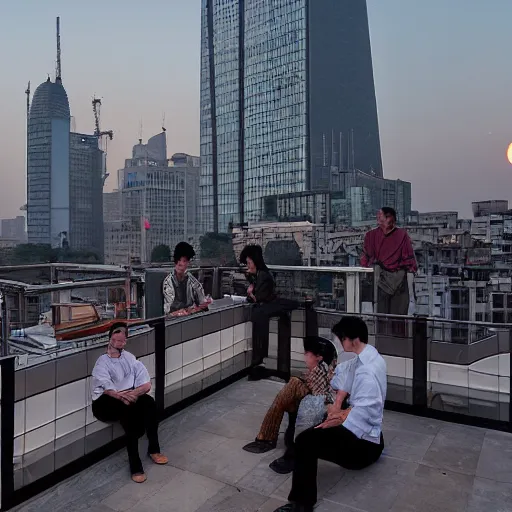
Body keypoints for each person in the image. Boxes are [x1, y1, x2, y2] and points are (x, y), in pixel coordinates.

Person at [273, 316, 386, 512]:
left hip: (364, 449)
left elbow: (367, 409)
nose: (341, 343)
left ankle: (301, 504)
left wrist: (338, 417)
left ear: (354, 339)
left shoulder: (367, 372)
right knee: (318, 423)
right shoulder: (371, 356)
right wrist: (339, 402)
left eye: (342, 338)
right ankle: (295, 458)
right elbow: (347, 373)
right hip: (374, 438)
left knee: (306, 441)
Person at [242, 336, 337, 474]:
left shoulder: (321, 371)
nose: (304, 356)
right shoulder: (320, 369)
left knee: (291, 387)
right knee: (290, 390)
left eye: (307, 354)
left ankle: (267, 439)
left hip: (319, 405)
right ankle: (267, 438)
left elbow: (320, 396)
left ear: (319, 357)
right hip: (314, 400)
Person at [91, 322, 168, 483]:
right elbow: (107, 388)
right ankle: (135, 465)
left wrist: (133, 393)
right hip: (104, 403)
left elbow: (145, 383)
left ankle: (154, 449)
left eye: (123, 336)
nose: (120, 339)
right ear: (110, 339)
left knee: (149, 404)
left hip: (130, 395)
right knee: (129, 414)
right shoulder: (102, 362)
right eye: (116, 335)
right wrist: (123, 396)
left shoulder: (130, 358)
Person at [240, 244, 297, 380]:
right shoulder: (259, 275)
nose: (247, 266)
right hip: (267, 308)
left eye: (249, 263)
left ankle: (260, 360)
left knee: (259, 314)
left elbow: (259, 298)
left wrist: (250, 293)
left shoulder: (264, 276)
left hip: (269, 309)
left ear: (255, 262)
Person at [361, 207, 417, 315]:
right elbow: (365, 256)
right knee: (381, 318)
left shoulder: (402, 235)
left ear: (389, 218)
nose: (378, 218)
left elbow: (410, 262)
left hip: (400, 282)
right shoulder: (371, 236)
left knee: (398, 320)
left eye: (380, 215)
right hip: (380, 281)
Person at [163, 242, 210, 317]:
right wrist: (177, 313)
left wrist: (204, 303)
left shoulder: (192, 280)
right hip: (174, 320)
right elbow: (167, 311)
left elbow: (202, 301)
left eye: (184, 261)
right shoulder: (168, 282)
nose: (180, 263)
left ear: (188, 263)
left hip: (190, 316)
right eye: (178, 260)